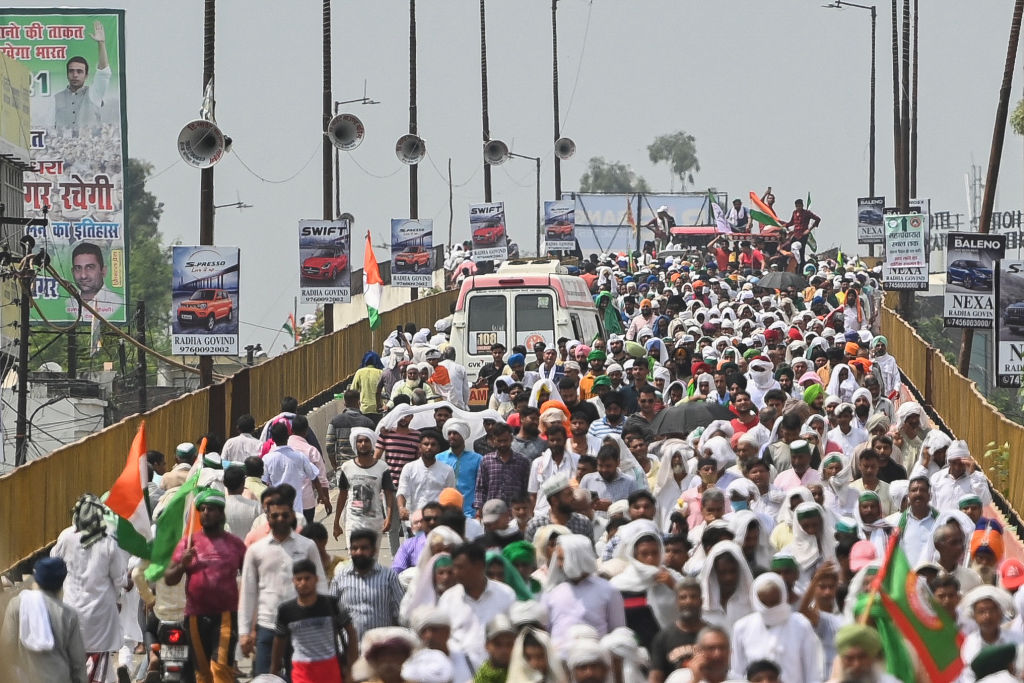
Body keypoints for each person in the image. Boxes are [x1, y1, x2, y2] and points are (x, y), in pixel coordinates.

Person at [165, 489, 247, 683]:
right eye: (202, 509)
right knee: (202, 674)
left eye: (210, 509)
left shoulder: (235, 544)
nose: (205, 513)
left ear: (221, 513)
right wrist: (181, 565)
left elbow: (250, 576)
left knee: (220, 668)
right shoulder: (188, 543)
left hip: (226, 616)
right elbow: (169, 579)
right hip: (195, 616)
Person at [239, 493, 327, 674]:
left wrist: (323, 624)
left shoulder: (307, 546)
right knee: (264, 677)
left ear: (292, 516)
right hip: (267, 626)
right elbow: (248, 592)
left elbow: (321, 585)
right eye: (275, 515)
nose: (280, 519)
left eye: (285, 515)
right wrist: (244, 632)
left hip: (302, 627)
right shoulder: (256, 550)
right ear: (267, 517)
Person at [48, 493, 127, 683]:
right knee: (97, 668)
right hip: (100, 616)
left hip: (70, 611)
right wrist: (121, 594)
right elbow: (119, 578)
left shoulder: (66, 536)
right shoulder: (108, 540)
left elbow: (53, 563)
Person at [0, 557, 87, 683]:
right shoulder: (68, 614)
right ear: (61, 582)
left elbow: (6, 649)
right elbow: (78, 663)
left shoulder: (17, 604)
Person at [270, 559, 357, 683]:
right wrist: (273, 673)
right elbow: (279, 642)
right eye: (299, 579)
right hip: (301, 672)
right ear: (293, 581)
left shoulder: (332, 604)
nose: (303, 583)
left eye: (307, 578)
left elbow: (351, 633)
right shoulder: (286, 611)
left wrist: (351, 669)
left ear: (316, 579)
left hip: (330, 670)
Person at [729, 572, 822, 682]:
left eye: (774, 602)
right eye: (765, 603)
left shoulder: (800, 625)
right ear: (756, 600)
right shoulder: (742, 628)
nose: (770, 608)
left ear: (782, 596)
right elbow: (738, 672)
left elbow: (812, 671)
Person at [438, 542, 517, 668]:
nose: (455, 572)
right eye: (455, 567)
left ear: (479, 566)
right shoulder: (448, 599)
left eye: (461, 567)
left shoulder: (506, 595)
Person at [542, 534, 626, 649]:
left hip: (595, 660)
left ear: (578, 558)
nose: (559, 564)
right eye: (558, 559)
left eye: (562, 559)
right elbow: (546, 632)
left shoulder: (608, 590)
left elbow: (618, 632)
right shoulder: (552, 592)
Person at [334, 427, 395, 543]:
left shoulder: (382, 468)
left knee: (371, 560)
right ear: (355, 444)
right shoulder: (347, 467)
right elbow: (342, 496)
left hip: (375, 522)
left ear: (372, 443)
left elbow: (388, 494)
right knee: (354, 557)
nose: (363, 444)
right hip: (353, 522)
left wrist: (389, 518)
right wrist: (336, 522)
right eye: (360, 441)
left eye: (367, 441)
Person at [263, 421, 331, 518]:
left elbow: (264, 483)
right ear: (288, 436)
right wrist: (322, 496)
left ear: (273, 439)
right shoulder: (300, 456)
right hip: (301, 508)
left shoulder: (267, 459)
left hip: (279, 508)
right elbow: (314, 477)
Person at [648, 577, 707, 683]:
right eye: (683, 597)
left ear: (701, 601)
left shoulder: (712, 635)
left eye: (693, 597)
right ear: (677, 602)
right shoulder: (663, 637)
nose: (688, 601)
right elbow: (655, 677)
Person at [55, 21, 111, 132]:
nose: (75, 75)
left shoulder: (94, 93)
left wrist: (101, 44)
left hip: (90, 146)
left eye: (79, 71)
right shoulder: (57, 98)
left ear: (86, 75)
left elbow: (103, 73)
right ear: (67, 74)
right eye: (71, 71)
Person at [397, 430, 457, 520]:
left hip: (437, 520)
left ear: (438, 448)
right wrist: (401, 508)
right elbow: (402, 491)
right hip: (413, 519)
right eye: (426, 444)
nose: (429, 447)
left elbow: (450, 496)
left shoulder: (447, 470)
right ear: (420, 447)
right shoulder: (409, 468)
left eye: (433, 445)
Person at [475, 422, 532, 513]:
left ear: (511, 439)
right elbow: (480, 488)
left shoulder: (522, 462)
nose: (502, 444)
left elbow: (527, 489)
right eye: (499, 441)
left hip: (516, 514)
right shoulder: (486, 460)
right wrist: (479, 511)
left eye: (505, 441)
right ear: (494, 440)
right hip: (492, 513)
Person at [288, 414, 333, 524]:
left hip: (285, 502)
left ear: (291, 430)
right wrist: (325, 498)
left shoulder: (277, 448)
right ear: (306, 431)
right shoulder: (311, 451)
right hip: (305, 502)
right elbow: (321, 478)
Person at [438, 419, 484, 518]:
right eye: (449, 433)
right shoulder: (439, 458)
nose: (451, 436)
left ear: (463, 436)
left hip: (469, 512)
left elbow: (481, 486)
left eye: (455, 433)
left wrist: (479, 509)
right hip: (444, 511)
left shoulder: (477, 459)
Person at [326, 389, 376, 465]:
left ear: (344, 404)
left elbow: (329, 446)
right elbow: (373, 446)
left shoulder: (335, 421)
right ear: (359, 403)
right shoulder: (368, 423)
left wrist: (335, 467)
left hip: (343, 467)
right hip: (363, 467)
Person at [475, 614, 516, 683]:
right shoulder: (478, 679)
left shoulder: (527, 676)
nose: (504, 650)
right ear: (486, 646)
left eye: (509, 644)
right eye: (498, 644)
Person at [224, 466, 261, 540]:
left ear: (224, 483)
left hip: (226, 549)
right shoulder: (256, 507)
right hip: (249, 549)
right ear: (243, 483)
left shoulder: (219, 506)